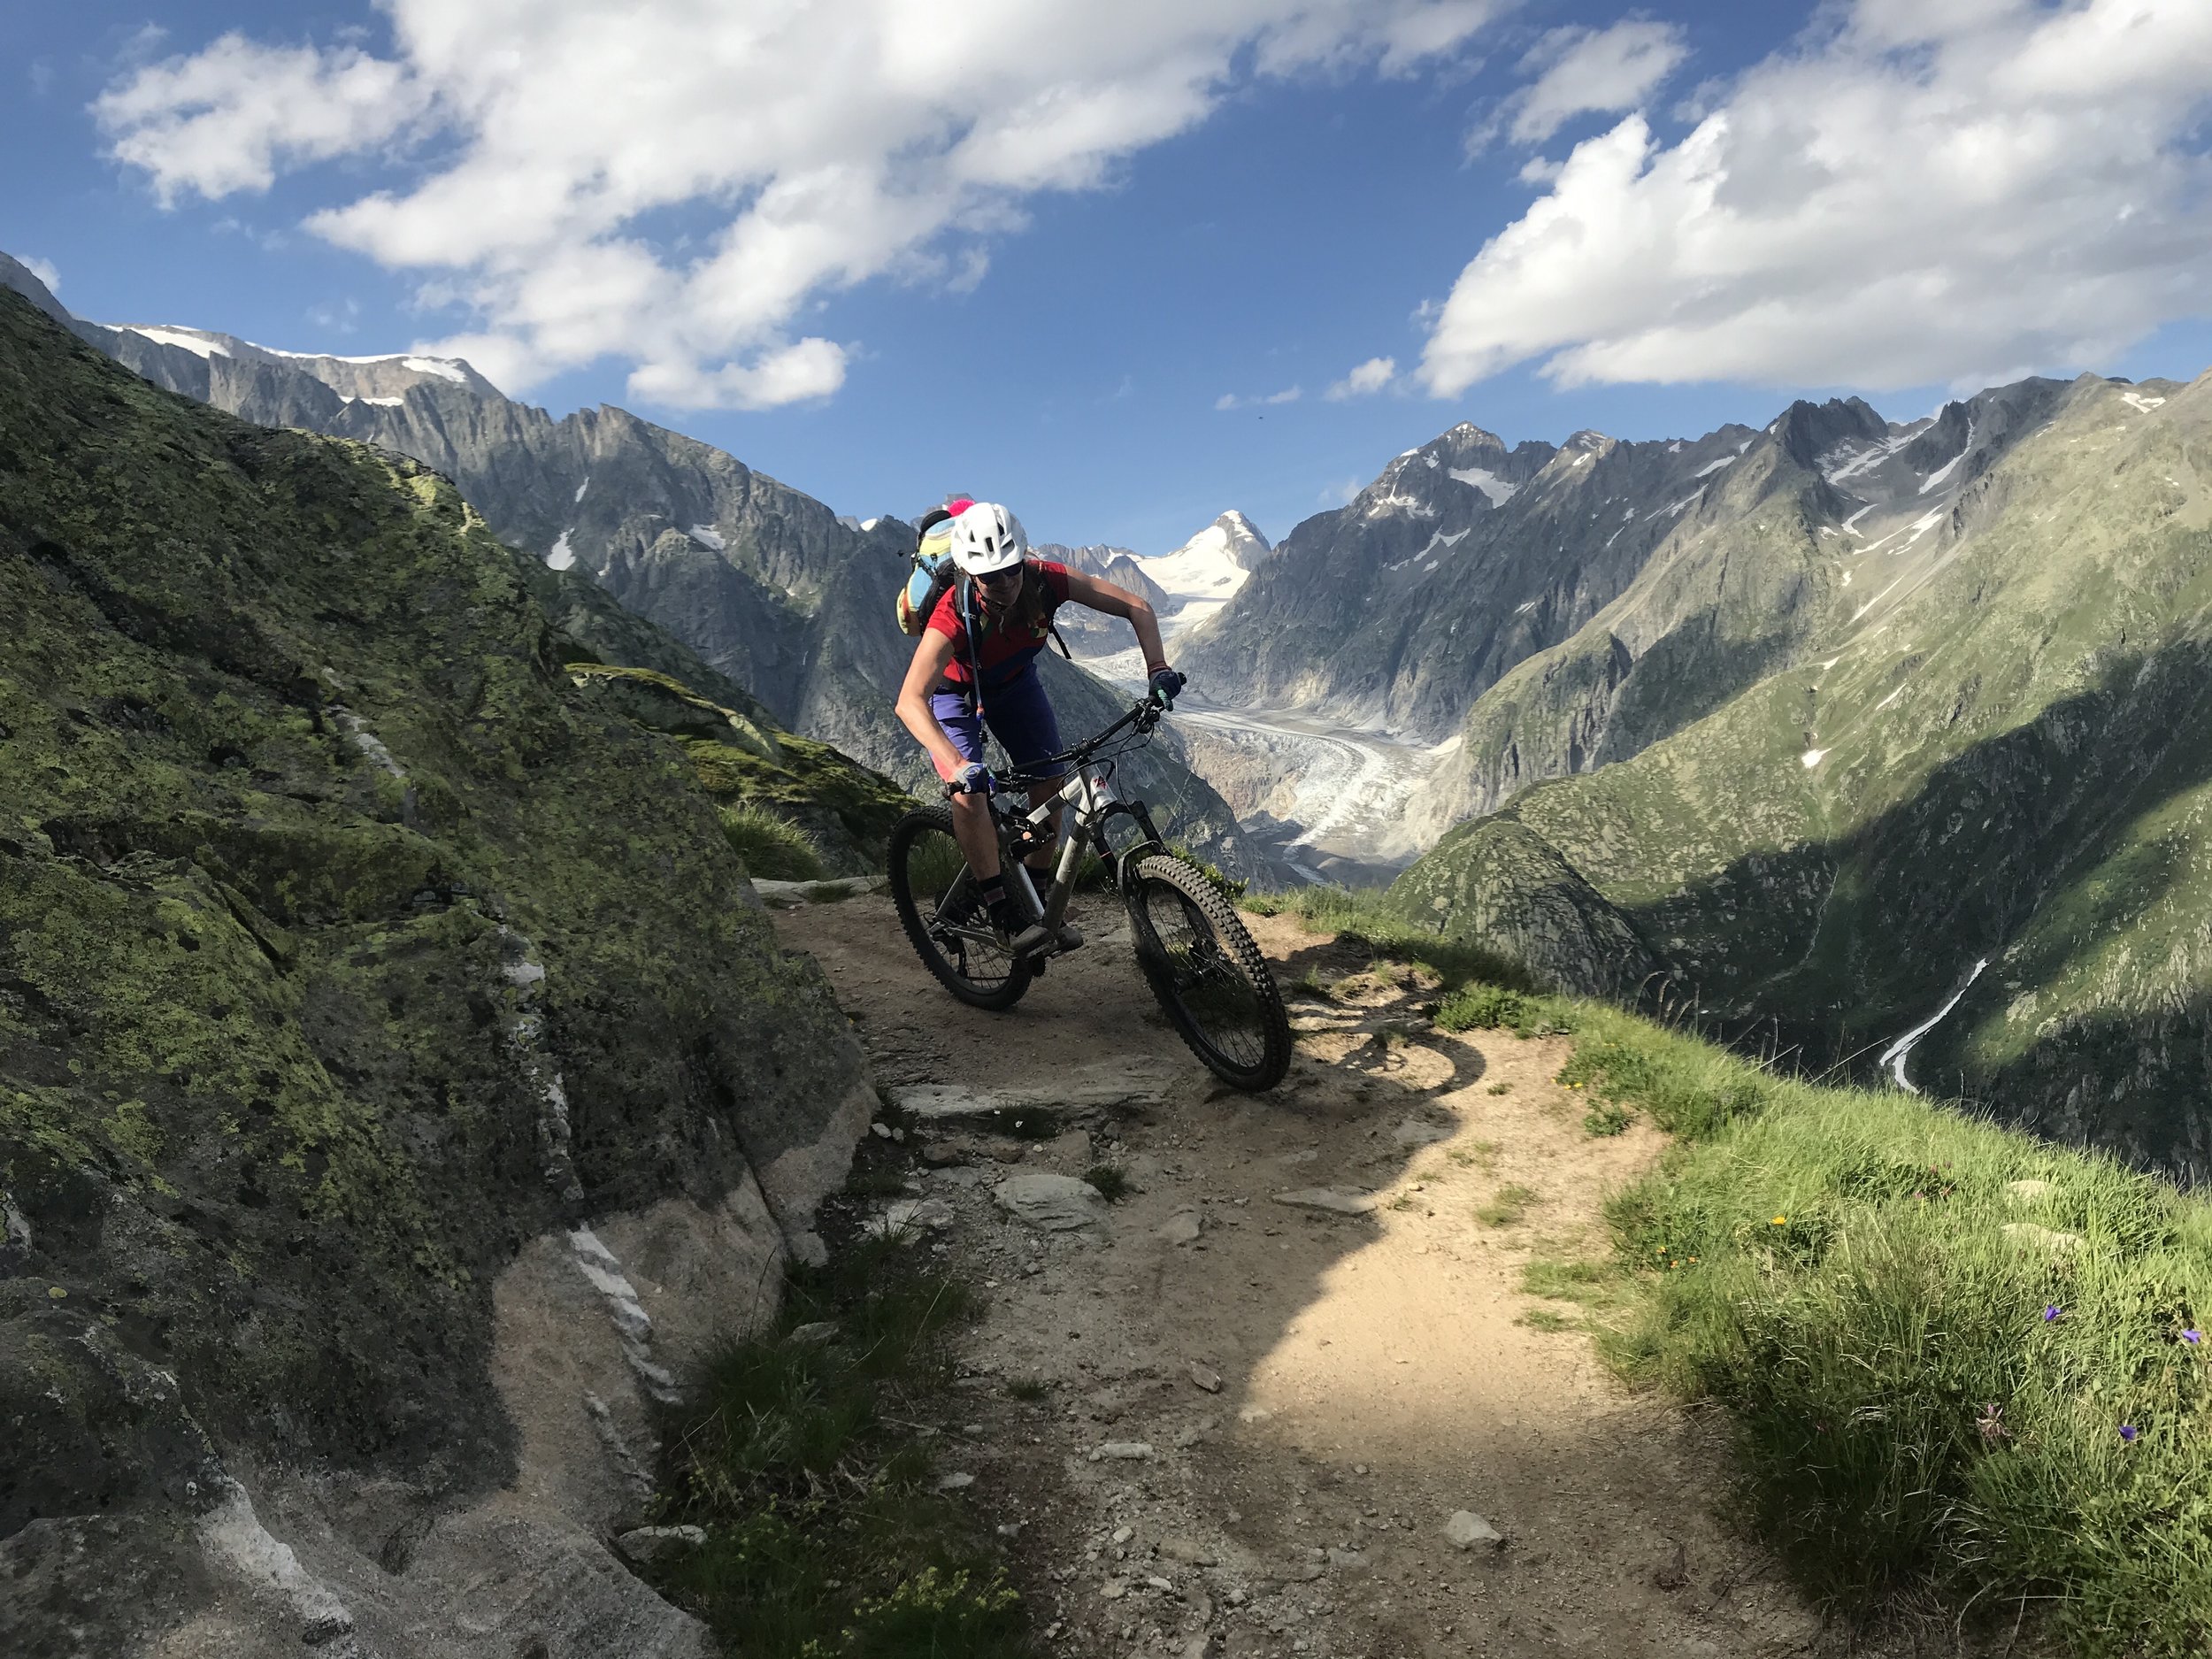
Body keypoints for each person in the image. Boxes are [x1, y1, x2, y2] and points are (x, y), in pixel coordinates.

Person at [894, 500, 1185, 945]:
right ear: (972, 574)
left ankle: (1037, 896)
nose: (1005, 582)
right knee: (970, 797)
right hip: (955, 694)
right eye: (990, 576)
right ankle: (1001, 909)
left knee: (1050, 787)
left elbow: (1137, 607)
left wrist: (1157, 668)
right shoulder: (952, 613)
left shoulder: (1046, 578)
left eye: (1011, 568)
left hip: (1014, 685)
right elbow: (911, 700)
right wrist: (956, 767)